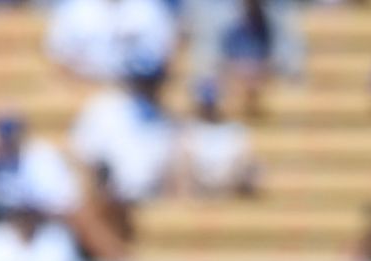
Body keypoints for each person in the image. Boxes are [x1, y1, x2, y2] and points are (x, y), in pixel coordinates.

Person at [70, 58, 176, 218]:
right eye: (141, 82)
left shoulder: (167, 121)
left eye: (151, 82)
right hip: (112, 202)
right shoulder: (104, 109)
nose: (146, 89)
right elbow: (84, 159)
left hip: (154, 201)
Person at [44, 0, 175, 83]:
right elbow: (58, 57)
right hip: (84, 87)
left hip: (138, 90)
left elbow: (165, 55)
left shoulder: (149, 8)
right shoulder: (75, 8)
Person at [173, 77, 259, 197]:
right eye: (206, 103)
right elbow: (182, 172)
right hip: (198, 196)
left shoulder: (235, 131)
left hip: (229, 195)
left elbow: (247, 165)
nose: (209, 108)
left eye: (212, 103)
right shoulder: (187, 130)